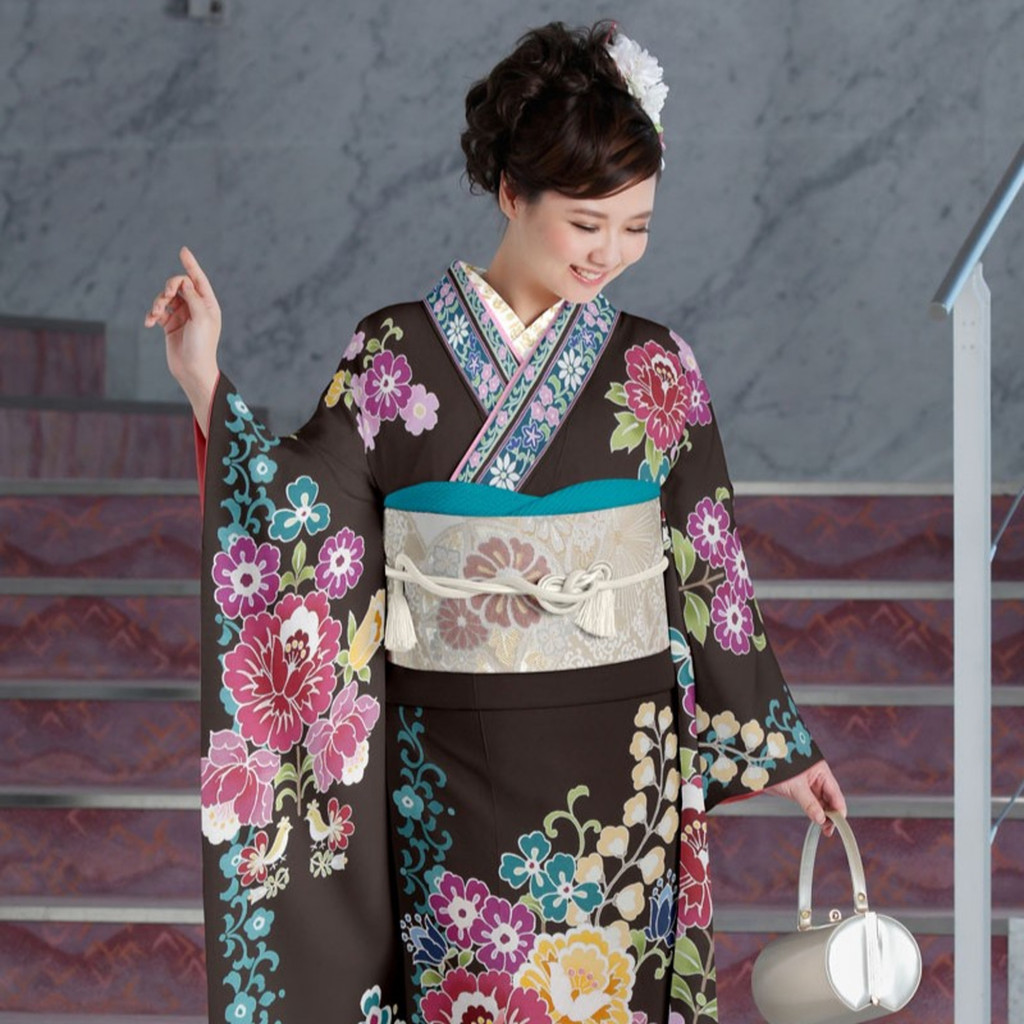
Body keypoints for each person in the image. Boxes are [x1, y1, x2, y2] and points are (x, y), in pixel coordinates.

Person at [145, 19, 845, 1024]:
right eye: (587, 222)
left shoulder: (657, 366)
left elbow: (708, 567)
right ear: (513, 193)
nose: (611, 253)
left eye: (636, 227)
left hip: (623, 767)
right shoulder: (393, 353)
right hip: (451, 767)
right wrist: (202, 375)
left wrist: (779, 745)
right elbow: (307, 519)